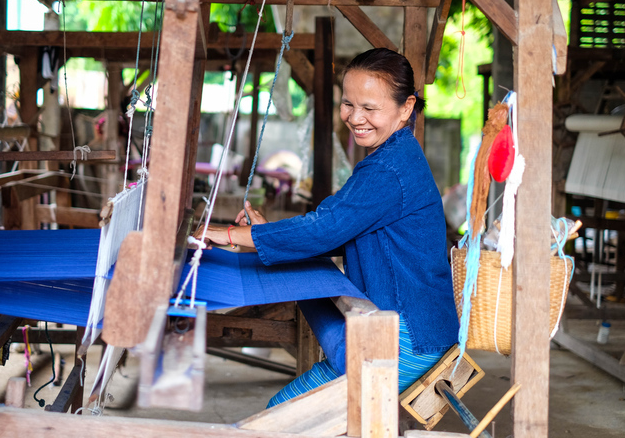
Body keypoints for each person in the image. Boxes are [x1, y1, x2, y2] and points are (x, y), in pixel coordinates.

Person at [196, 48, 458, 406]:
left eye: (370, 107)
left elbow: (325, 229)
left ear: (406, 108)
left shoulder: (390, 169)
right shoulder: (392, 158)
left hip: (405, 339)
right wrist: (260, 238)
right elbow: (339, 226)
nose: (355, 117)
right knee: (285, 410)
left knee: (281, 417)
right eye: (348, 104)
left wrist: (230, 234)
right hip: (399, 326)